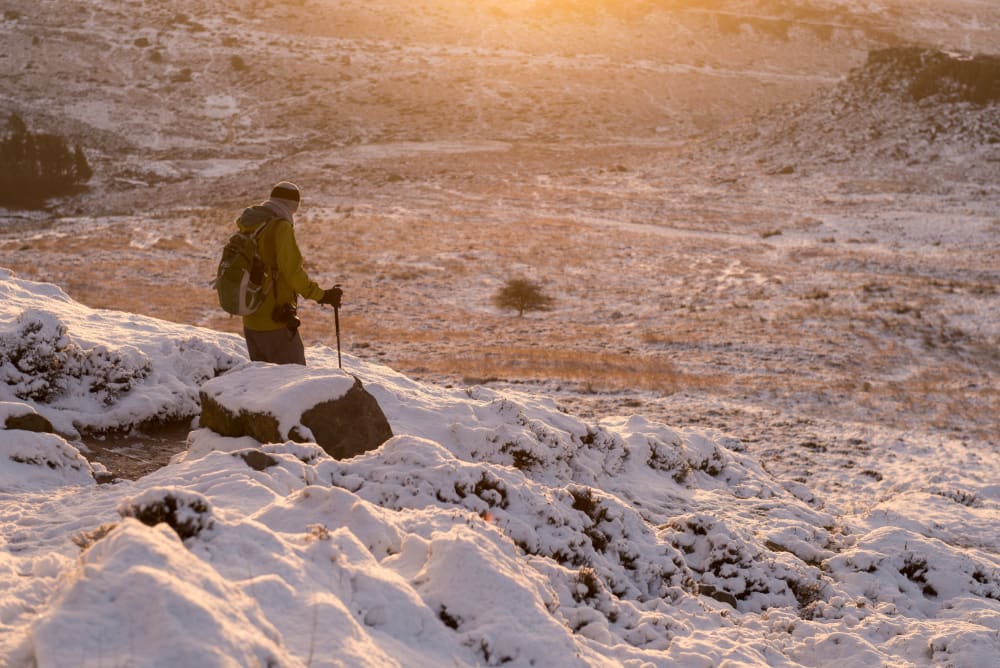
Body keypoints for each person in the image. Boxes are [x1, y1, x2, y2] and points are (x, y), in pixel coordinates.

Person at [239, 181, 342, 365]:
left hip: (250, 319)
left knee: (264, 386)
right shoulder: (280, 227)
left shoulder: (251, 225)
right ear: (291, 206)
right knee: (293, 380)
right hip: (274, 322)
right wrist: (322, 295)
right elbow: (292, 272)